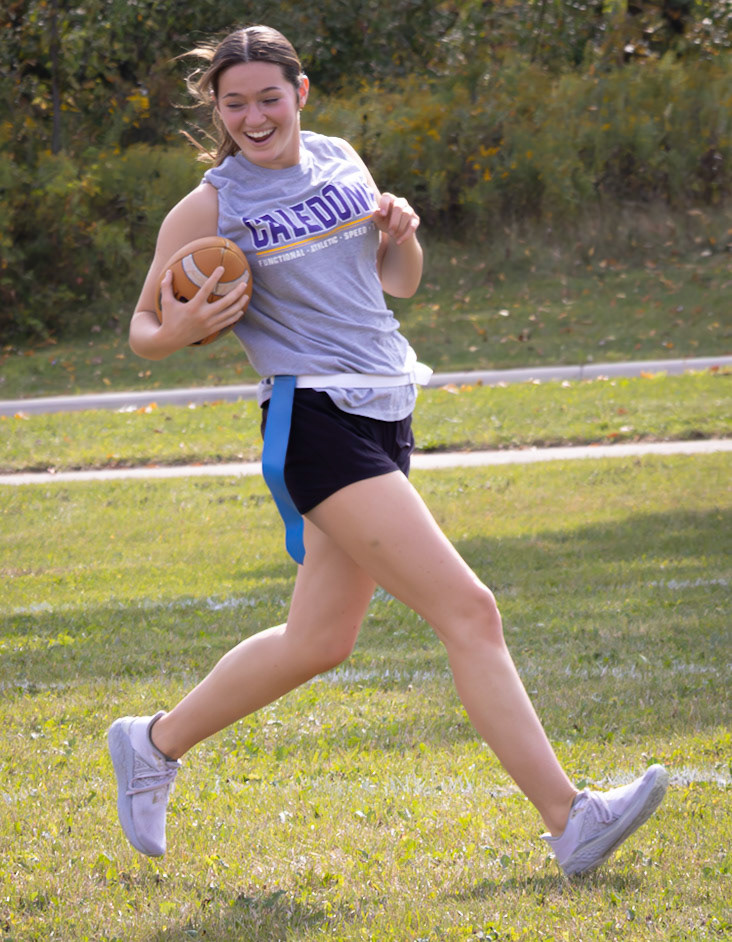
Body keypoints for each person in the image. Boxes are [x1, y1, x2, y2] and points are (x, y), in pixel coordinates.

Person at [107, 24, 668, 877]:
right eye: (235, 103)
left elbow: (396, 282)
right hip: (315, 420)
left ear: (301, 90)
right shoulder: (211, 205)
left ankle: (152, 744)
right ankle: (571, 818)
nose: (253, 116)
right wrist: (177, 326)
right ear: (217, 109)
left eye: (268, 96)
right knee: (469, 609)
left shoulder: (340, 157)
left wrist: (399, 230)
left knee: (318, 640)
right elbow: (146, 330)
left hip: (384, 407)